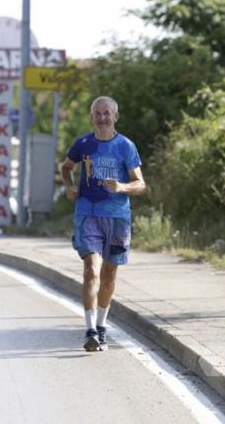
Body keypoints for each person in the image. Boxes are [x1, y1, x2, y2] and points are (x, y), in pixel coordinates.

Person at [60, 96, 146, 352]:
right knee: (91, 270)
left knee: (109, 276)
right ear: (92, 116)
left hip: (118, 217)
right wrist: (69, 186)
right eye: (97, 113)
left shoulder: (125, 146)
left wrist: (122, 186)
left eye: (106, 113)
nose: (102, 118)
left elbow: (140, 184)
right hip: (88, 213)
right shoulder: (83, 144)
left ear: (115, 116)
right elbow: (66, 168)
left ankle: (101, 326)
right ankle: (89, 330)